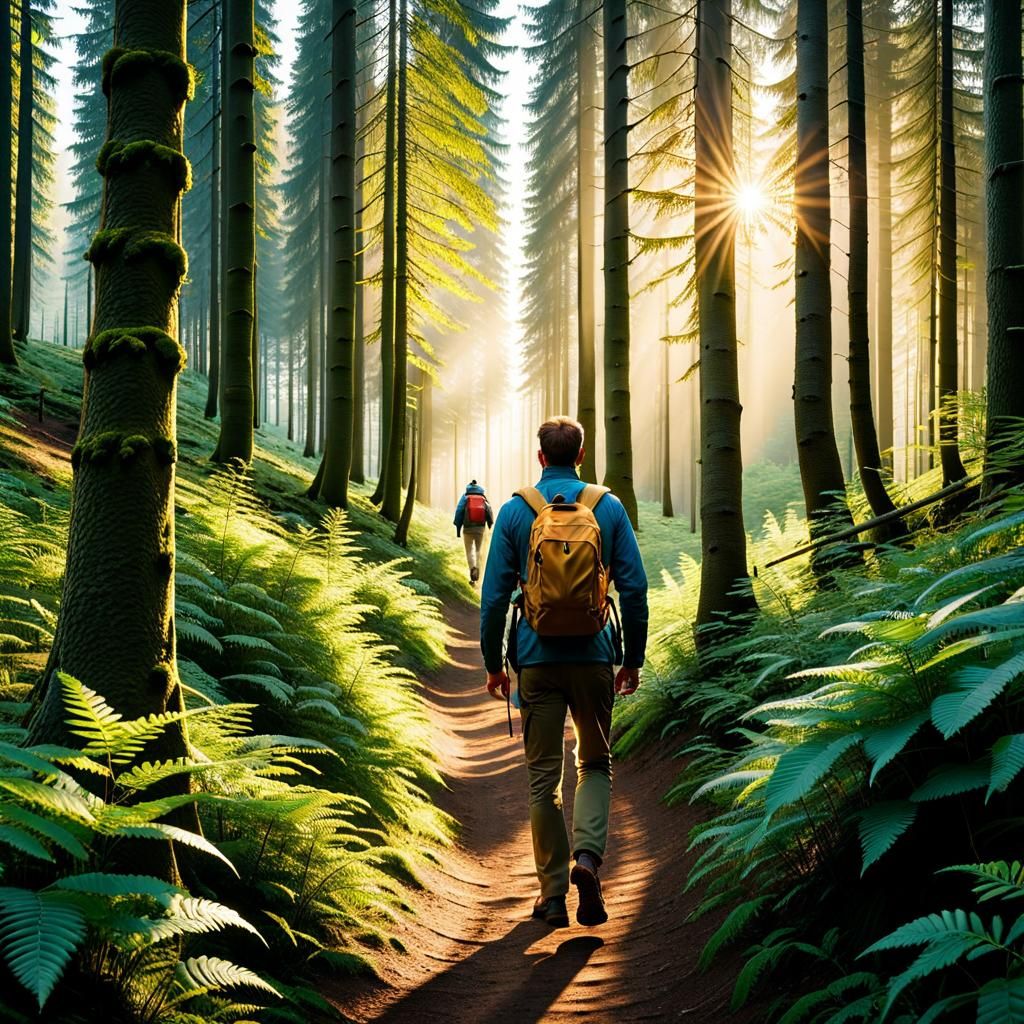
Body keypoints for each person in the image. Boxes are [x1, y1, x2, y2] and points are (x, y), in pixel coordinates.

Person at [479, 416, 648, 929]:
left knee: (542, 779)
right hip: (595, 657)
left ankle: (552, 896)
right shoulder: (608, 507)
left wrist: (493, 665)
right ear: (580, 454)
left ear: (540, 457)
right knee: (595, 765)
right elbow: (634, 588)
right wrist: (632, 658)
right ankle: (588, 861)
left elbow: (491, 600)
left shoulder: (514, 511)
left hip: (535, 660)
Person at [454, 479, 493, 586]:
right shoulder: (483, 498)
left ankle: (472, 570)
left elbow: (459, 512)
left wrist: (458, 529)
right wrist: (489, 525)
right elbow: (489, 511)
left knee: (469, 551)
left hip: (467, 529)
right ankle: (478, 575)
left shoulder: (465, 497)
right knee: (478, 551)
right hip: (480, 529)